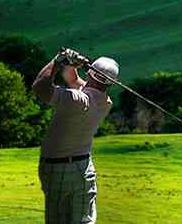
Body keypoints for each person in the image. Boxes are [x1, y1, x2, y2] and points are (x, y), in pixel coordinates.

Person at [32, 52, 118, 224]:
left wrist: (57, 61)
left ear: (90, 73)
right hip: (85, 168)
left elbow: (40, 87)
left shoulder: (77, 100)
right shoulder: (106, 102)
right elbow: (72, 80)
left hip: (58, 169)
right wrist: (71, 63)